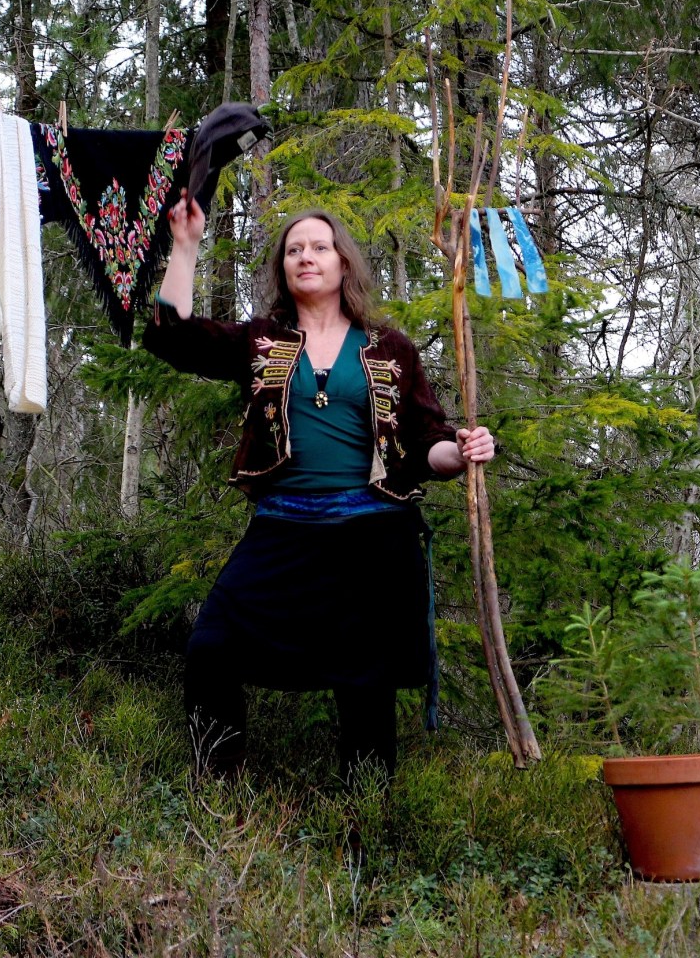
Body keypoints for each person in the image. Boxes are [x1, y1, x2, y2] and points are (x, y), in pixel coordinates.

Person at [142, 192, 495, 780]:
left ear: (343, 262)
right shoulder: (261, 340)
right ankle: (216, 792)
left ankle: (367, 815)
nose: (306, 256)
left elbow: (427, 442)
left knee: (366, 681)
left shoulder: (389, 348)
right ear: (283, 268)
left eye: (320, 247)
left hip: (374, 535)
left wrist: (461, 451)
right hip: (284, 529)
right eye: (294, 250)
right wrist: (185, 245)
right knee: (212, 646)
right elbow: (173, 338)